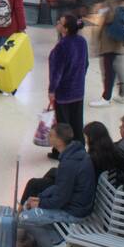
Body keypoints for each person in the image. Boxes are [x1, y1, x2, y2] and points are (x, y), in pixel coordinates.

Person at [19, 123, 95, 247]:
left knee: (24, 217)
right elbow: (59, 187)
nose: (48, 137)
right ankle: (56, 237)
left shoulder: (69, 163)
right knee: (32, 204)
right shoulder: (75, 154)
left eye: (51, 135)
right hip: (78, 204)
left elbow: (61, 198)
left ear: (59, 140)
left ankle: (57, 242)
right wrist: (40, 199)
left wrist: (40, 203)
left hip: (74, 212)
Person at [47, 13, 89, 147]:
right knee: (77, 121)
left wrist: (52, 90)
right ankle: (79, 146)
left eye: (60, 22)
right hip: (78, 90)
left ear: (65, 29)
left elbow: (56, 73)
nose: (57, 23)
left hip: (64, 92)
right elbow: (86, 63)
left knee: (63, 124)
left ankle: (63, 149)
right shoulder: (82, 41)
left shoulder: (62, 46)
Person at [89, 0, 124, 107]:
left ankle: (106, 97)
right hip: (118, 41)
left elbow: (109, 18)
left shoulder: (110, 1)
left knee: (108, 70)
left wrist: (101, 11)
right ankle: (123, 94)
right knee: (116, 68)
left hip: (109, 42)